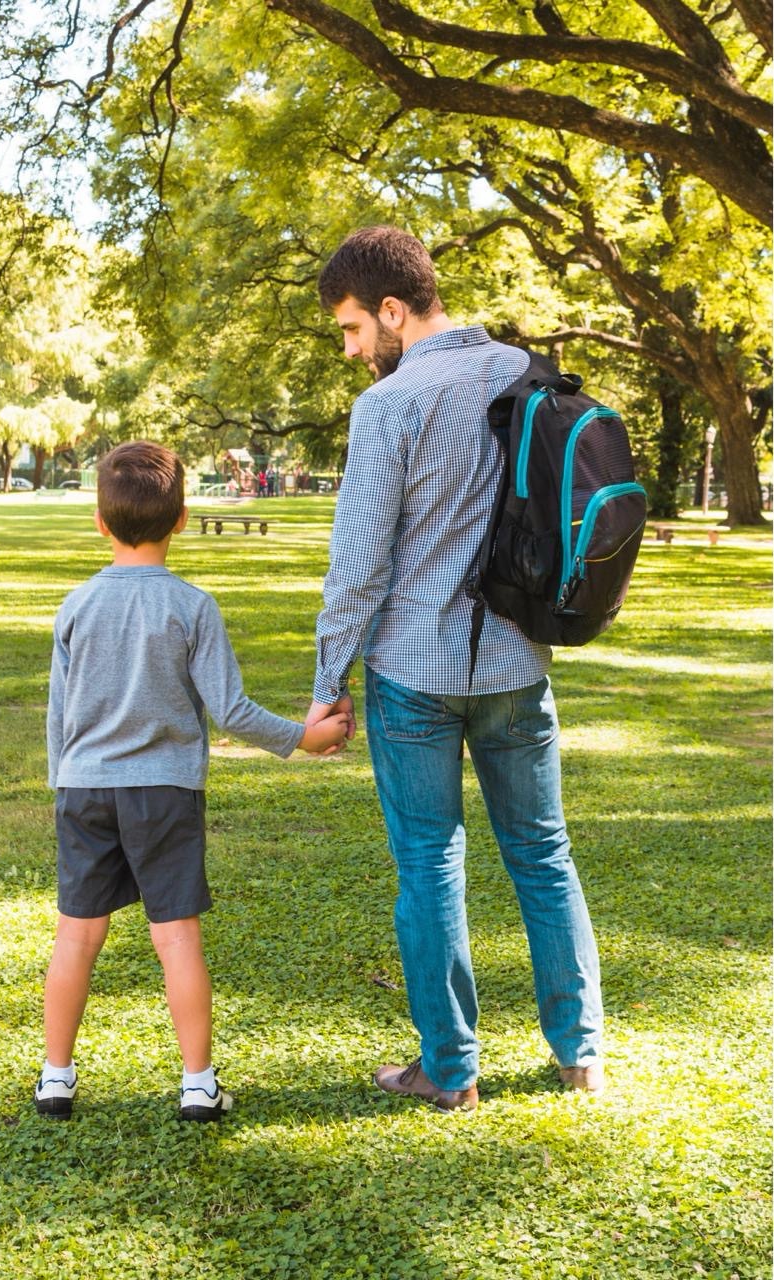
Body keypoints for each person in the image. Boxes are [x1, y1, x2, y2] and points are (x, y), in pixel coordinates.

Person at [305, 226, 603, 1112]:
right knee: (543, 854)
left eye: (353, 328)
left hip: (413, 673)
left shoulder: (389, 405)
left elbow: (359, 566)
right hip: (517, 664)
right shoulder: (527, 375)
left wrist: (328, 681)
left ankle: (450, 1069)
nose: (352, 349)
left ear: (393, 310)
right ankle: (581, 1054)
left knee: (429, 864)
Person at [38, 441, 349, 1123]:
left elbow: (59, 716)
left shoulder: (75, 604)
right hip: (164, 794)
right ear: (181, 519)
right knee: (176, 938)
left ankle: (55, 1078)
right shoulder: (192, 606)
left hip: (82, 790)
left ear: (99, 521)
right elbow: (230, 710)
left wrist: (64, 784)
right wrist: (302, 738)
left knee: (75, 937)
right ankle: (197, 1085)